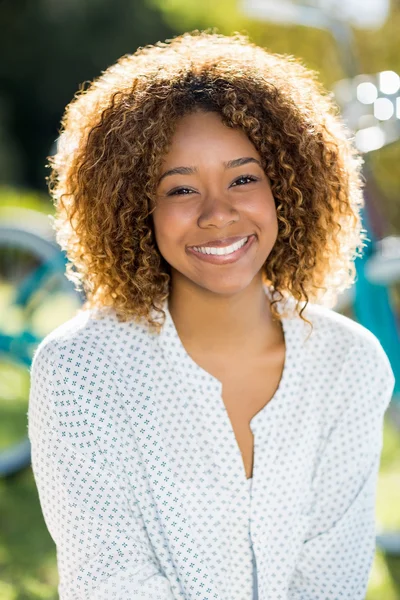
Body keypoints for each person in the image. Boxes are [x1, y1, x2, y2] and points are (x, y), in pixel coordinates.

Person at [28, 30, 395, 600]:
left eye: (244, 178)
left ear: (290, 187)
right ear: (133, 208)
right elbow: (109, 579)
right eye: (180, 189)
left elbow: (333, 577)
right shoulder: (79, 370)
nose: (218, 213)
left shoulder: (349, 362)